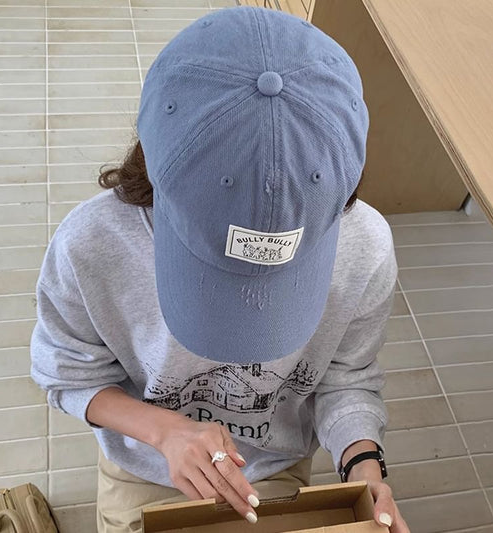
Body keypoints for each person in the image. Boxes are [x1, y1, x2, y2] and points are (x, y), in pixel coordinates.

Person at [30, 6, 410, 533]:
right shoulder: (91, 244)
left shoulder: (365, 246)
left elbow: (346, 377)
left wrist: (363, 466)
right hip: (144, 460)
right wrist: (164, 432)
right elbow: (66, 372)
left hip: (273, 466)